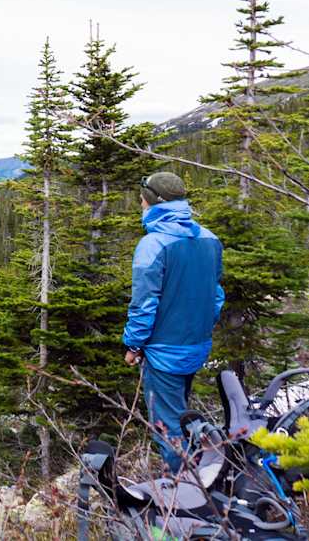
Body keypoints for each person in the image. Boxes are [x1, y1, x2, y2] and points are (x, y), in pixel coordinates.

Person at [123, 171, 224, 474]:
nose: (140, 203)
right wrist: (201, 327)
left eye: (142, 198)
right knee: (183, 416)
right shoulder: (210, 239)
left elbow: (144, 303)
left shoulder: (153, 245)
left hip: (163, 351)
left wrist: (133, 344)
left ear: (151, 201)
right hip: (196, 345)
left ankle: (188, 497)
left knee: (168, 428)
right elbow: (215, 295)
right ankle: (200, 474)